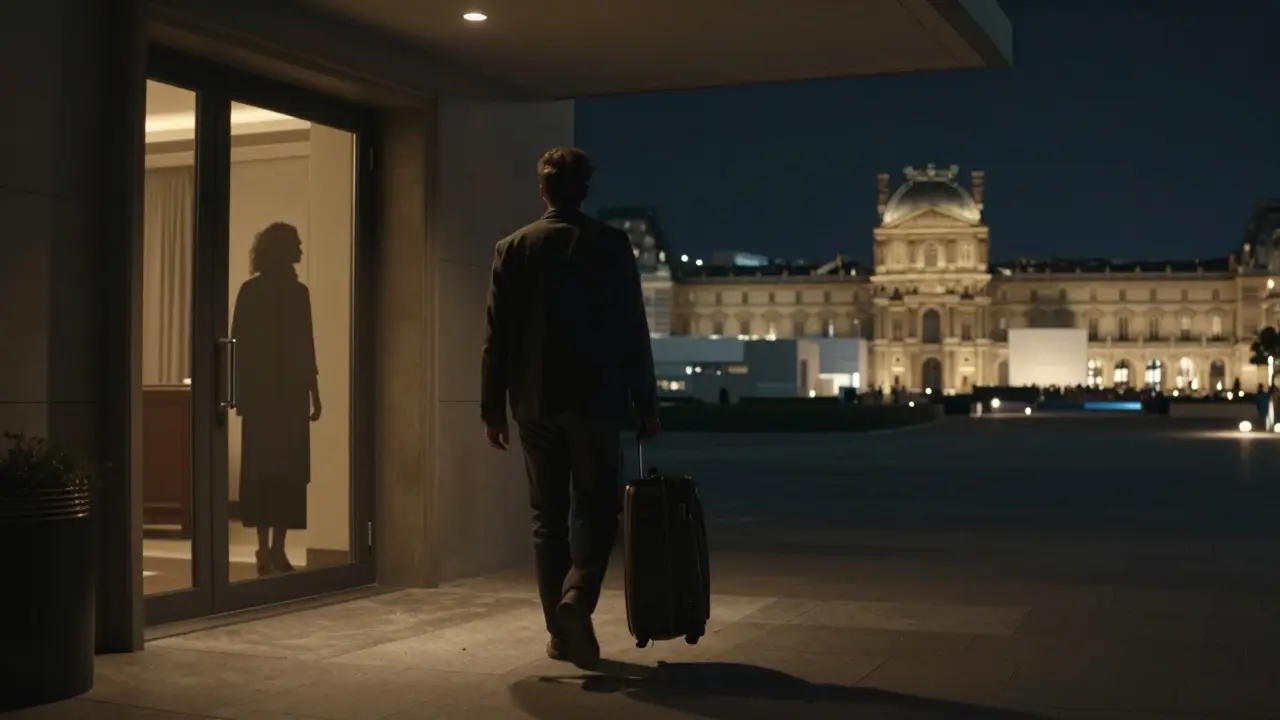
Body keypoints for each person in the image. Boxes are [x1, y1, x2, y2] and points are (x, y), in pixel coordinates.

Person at [480, 147, 660, 670]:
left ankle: (559, 636)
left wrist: (492, 408)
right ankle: (578, 598)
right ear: (584, 191)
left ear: (542, 191)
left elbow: (497, 338)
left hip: (533, 402)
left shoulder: (511, 248)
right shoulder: (610, 245)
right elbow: (632, 330)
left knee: (547, 518)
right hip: (596, 400)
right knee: (599, 508)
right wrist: (646, 402)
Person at [231, 222, 321, 577]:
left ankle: (267, 548)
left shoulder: (254, 291)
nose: (300, 249)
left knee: (266, 475)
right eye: (296, 245)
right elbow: (305, 346)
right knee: (285, 474)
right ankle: (274, 549)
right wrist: (313, 390)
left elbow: (240, 344)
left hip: (265, 398)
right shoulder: (295, 293)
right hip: (283, 397)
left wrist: (241, 395)